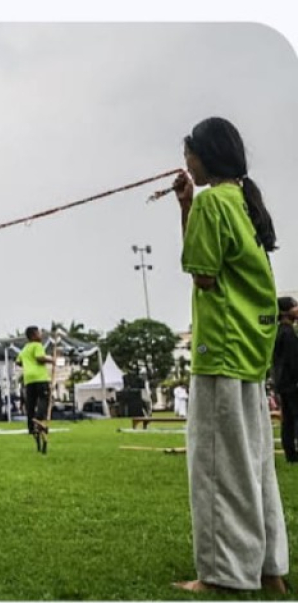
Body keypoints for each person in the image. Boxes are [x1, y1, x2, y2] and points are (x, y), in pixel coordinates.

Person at [171, 117, 289, 594]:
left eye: (190, 154)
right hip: (248, 350)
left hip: (219, 349)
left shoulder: (213, 202)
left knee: (218, 467)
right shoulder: (242, 199)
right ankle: (270, 570)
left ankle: (222, 575)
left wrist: (189, 208)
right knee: (255, 463)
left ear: (205, 157)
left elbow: (202, 274)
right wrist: (185, 205)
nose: (186, 162)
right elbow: (215, 264)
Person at [273, 296, 298, 464]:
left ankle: (291, 453)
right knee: (293, 417)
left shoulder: (278, 332)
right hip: (292, 382)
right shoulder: (288, 333)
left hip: (282, 382)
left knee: (287, 419)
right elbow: (293, 360)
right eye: (295, 306)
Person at [15, 326, 52, 435]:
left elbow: (18, 362)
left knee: (30, 403)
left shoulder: (25, 348)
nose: (41, 335)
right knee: (44, 398)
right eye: (39, 333)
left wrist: (27, 364)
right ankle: (38, 419)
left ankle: (31, 428)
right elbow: (39, 358)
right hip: (39, 377)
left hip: (28, 379)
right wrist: (52, 360)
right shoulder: (37, 345)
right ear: (33, 335)